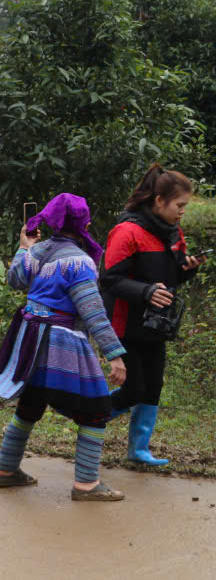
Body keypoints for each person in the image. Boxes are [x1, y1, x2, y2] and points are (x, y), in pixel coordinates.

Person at [0, 193, 128, 500]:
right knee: (96, 411)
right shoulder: (79, 261)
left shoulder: (37, 252)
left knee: (30, 405)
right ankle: (87, 485)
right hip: (61, 342)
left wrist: (24, 248)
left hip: (29, 339)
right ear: (84, 223)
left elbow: (15, 280)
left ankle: (5, 471)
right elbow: (92, 311)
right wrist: (114, 354)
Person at [101, 165, 204, 466]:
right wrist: (145, 291)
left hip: (156, 323)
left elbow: (169, 278)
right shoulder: (127, 231)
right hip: (125, 323)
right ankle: (92, 417)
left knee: (153, 386)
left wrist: (187, 269)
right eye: (179, 205)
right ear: (159, 201)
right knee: (134, 389)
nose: (182, 212)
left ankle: (138, 451)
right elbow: (108, 279)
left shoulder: (173, 233)